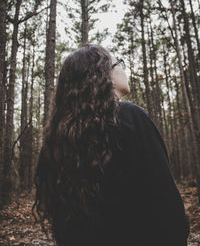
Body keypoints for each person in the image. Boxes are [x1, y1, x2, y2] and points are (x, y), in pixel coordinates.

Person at [33, 44, 190, 246]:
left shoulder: (58, 138)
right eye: (118, 63)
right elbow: (168, 206)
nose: (123, 69)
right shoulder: (130, 118)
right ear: (103, 75)